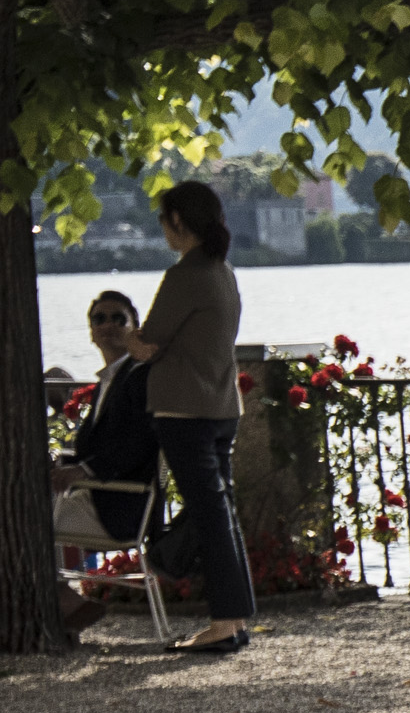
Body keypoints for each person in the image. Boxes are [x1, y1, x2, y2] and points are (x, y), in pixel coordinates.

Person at [125, 179, 255, 656]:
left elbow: (146, 346)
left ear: (178, 221)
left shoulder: (184, 276)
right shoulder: (224, 272)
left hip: (184, 409)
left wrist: (126, 336)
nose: (163, 229)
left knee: (209, 514)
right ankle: (233, 618)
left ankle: (223, 622)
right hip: (221, 407)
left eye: (164, 220)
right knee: (221, 513)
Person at [48, 291, 163, 634]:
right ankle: (61, 600)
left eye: (118, 318)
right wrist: (61, 463)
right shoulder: (109, 382)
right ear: (91, 332)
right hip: (100, 496)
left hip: (120, 505)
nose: (108, 325)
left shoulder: (140, 376)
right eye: (99, 319)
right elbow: (99, 448)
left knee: (21, 520)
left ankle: (63, 599)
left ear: (135, 328)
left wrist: (81, 471)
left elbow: (137, 444)